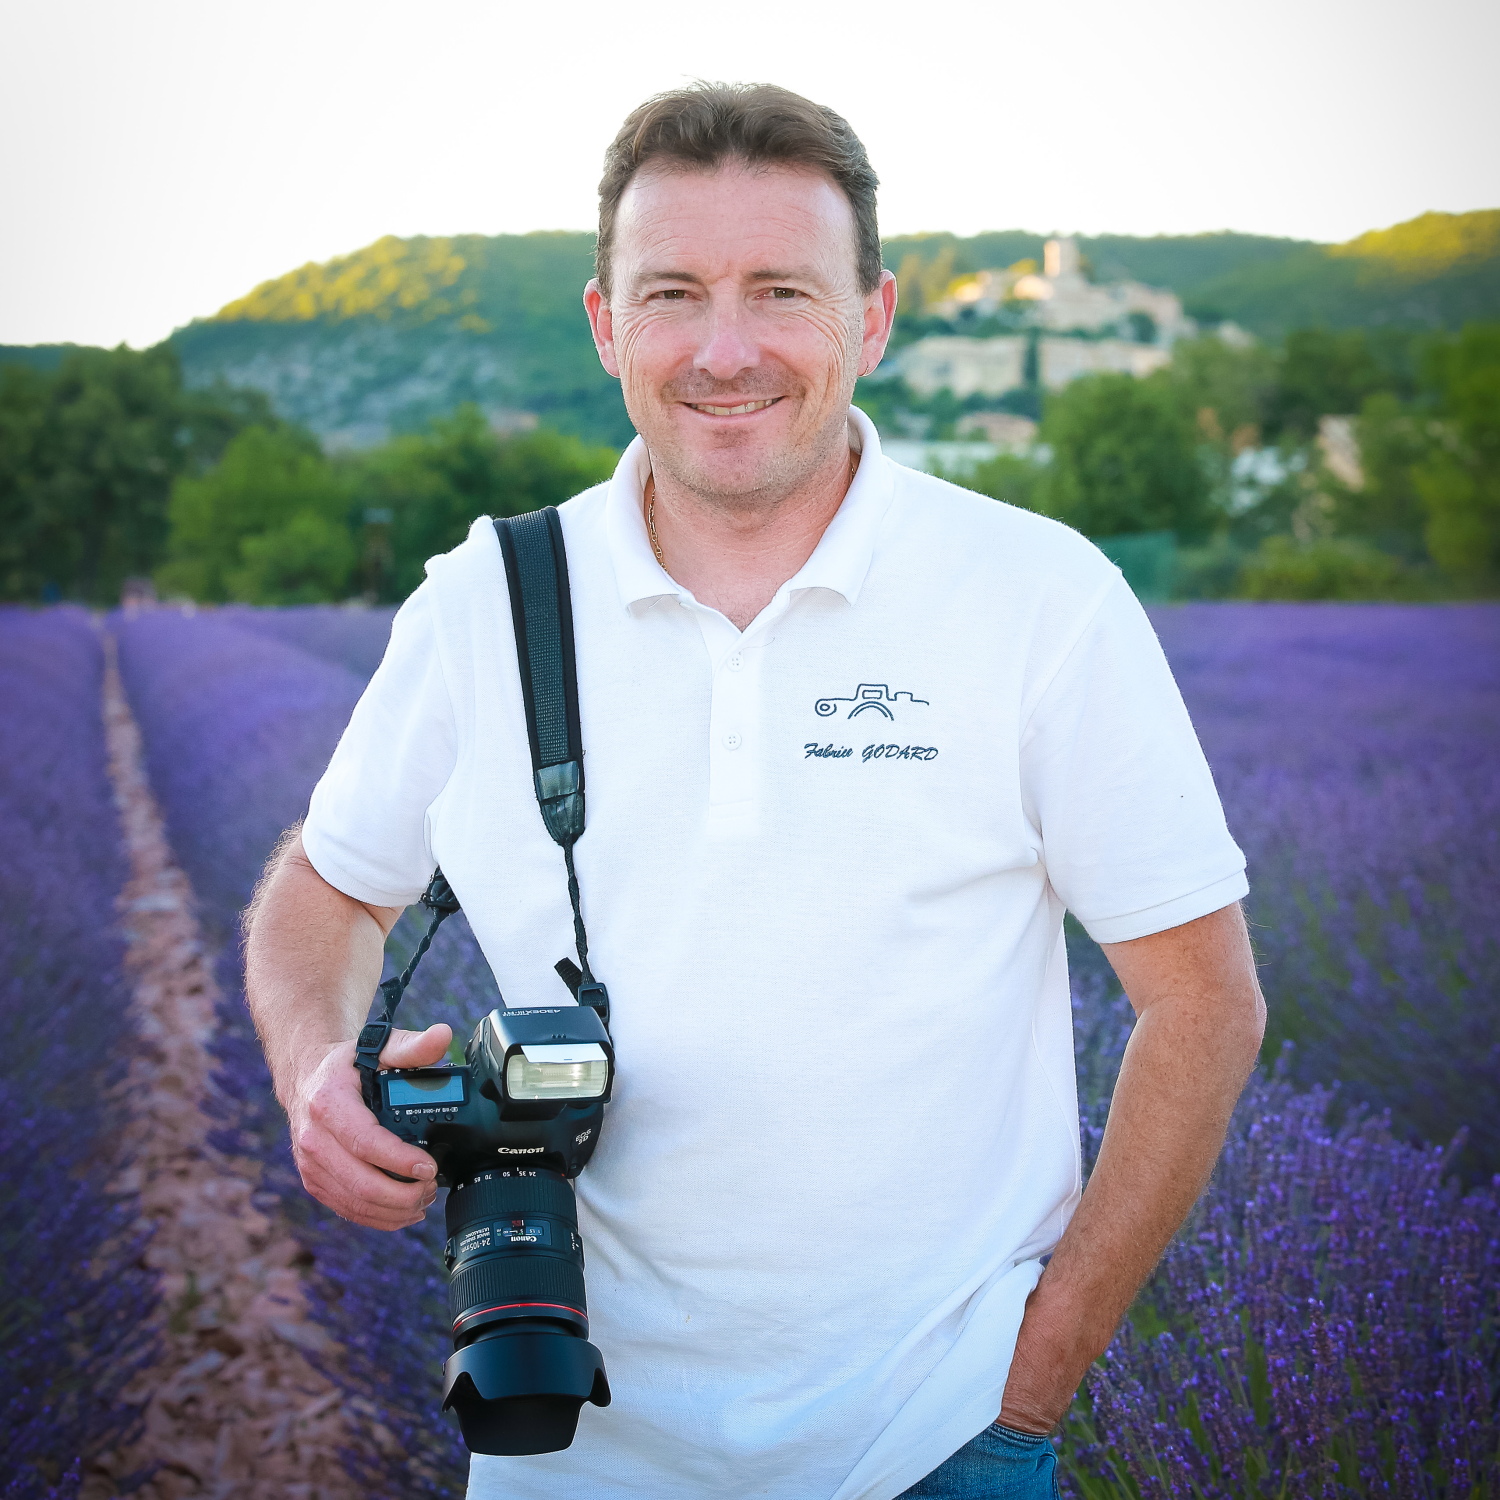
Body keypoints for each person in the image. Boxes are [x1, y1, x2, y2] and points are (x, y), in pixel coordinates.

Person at [244, 82, 1265, 1500]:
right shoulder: (487, 599)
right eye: (672, 294)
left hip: (940, 1440)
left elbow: (1205, 1001)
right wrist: (314, 1071)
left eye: (782, 290)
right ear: (607, 326)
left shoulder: (1040, 599)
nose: (725, 351)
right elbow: (325, 886)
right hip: (566, 1446)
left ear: (876, 316)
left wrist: (1036, 1379)